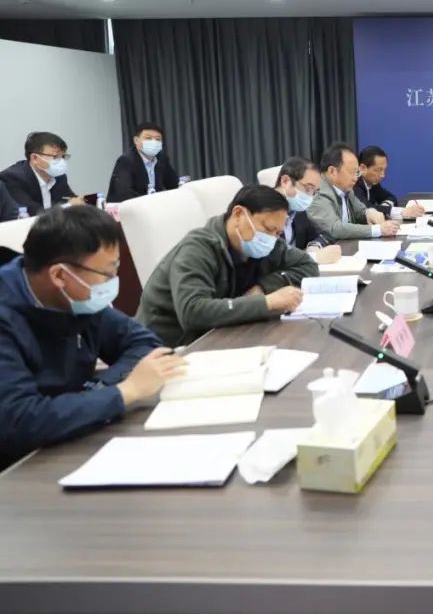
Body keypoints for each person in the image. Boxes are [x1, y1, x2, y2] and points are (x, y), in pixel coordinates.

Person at [0, 206, 186, 468]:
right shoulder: (7, 315)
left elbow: (145, 344)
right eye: (107, 274)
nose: (113, 282)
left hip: (72, 438)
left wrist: (96, 392)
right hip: (20, 468)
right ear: (59, 275)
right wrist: (124, 392)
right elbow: (19, 422)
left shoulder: (75, 298)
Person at [136, 185, 319, 348]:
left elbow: (307, 265)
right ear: (238, 214)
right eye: (268, 229)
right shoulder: (198, 248)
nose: (272, 238)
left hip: (223, 333)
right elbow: (193, 311)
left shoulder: (266, 243)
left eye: (278, 232)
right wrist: (267, 302)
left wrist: (263, 288)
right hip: (167, 349)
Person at [307, 144, 400, 240]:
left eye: (357, 172)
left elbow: (360, 211)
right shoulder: (317, 192)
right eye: (352, 172)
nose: (355, 178)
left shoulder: (346, 189)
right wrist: (378, 230)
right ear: (332, 171)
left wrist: (369, 213)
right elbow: (335, 228)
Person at [273, 156, 341, 264]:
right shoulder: (262, 210)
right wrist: (311, 258)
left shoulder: (298, 210)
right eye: (309, 188)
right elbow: (270, 260)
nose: (310, 197)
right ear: (285, 181)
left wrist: (314, 246)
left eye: (315, 191)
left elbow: (323, 235)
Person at [0, 132, 82, 215]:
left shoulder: (59, 177)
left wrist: (83, 201)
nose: (61, 161)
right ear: (34, 158)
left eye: (63, 156)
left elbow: (72, 199)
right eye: (55, 157)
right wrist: (68, 206)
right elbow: (31, 212)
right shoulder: (13, 178)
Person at [106, 122, 180, 202]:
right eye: (148, 138)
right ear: (136, 140)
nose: (153, 142)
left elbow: (174, 184)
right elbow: (123, 193)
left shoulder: (162, 159)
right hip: (127, 206)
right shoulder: (126, 160)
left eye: (158, 139)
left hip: (154, 206)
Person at [353, 145, 425, 220]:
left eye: (384, 170)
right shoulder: (354, 183)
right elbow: (366, 208)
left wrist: (384, 207)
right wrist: (403, 212)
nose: (382, 175)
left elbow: (391, 198)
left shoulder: (372, 182)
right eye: (378, 170)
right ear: (362, 168)